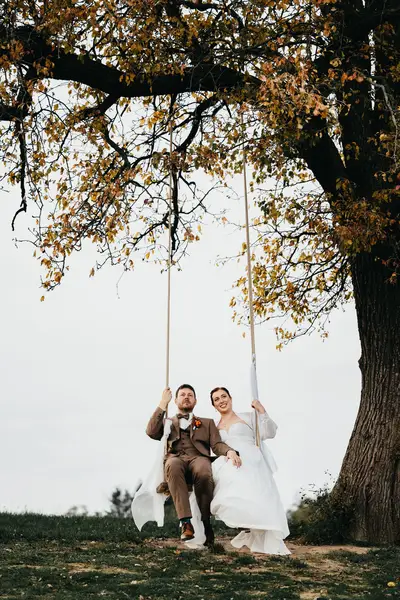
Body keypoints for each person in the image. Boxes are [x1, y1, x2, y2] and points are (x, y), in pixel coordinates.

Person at [144, 384, 241, 545]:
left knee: (203, 470)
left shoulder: (207, 423)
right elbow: (151, 432)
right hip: (176, 459)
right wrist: (162, 403)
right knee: (173, 465)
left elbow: (216, 445)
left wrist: (229, 451)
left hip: (199, 458)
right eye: (182, 395)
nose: (186, 397)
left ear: (195, 401)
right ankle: (186, 524)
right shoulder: (167, 421)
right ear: (175, 400)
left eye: (190, 395)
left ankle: (205, 522)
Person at [210, 386, 290, 555]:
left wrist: (262, 411)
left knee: (254, 487)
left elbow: (269, 433)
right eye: (216, 399)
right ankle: (244, 522)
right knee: (230, 481)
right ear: (214, 406)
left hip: (251, 455)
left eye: (224, 396)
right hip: (229, 458)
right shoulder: (215, 427)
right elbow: (215, 447)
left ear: (230, 398)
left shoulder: (247, 417)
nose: (221, 401)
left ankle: (258, 526)